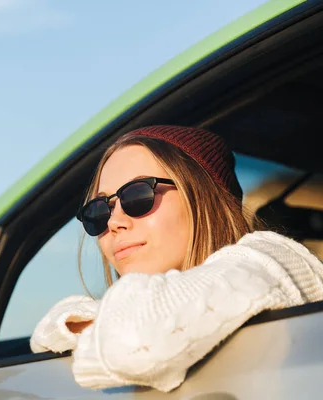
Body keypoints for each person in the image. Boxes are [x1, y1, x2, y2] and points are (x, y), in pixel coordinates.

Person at [29, 125, 323, 392]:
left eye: (137, 196)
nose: (113, 221)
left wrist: (86, 323)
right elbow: (46, 332)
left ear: (203, 197)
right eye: (99, 210)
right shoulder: (169, 315)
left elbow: (134, 340)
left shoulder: (274, 260)